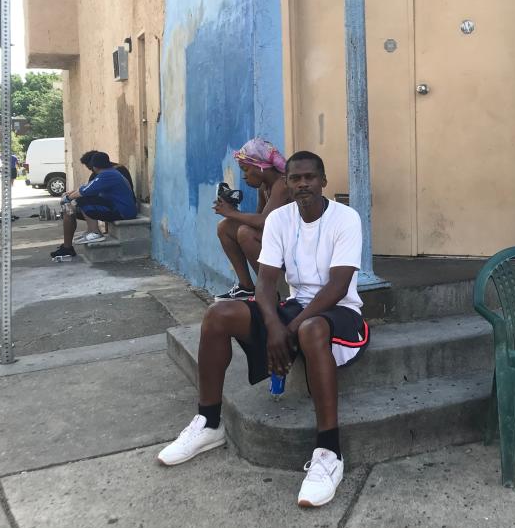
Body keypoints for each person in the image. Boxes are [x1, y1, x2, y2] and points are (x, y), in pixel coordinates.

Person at [158, 151, 369, 509]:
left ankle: (329, 452)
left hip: (340, 312)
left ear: (323, 181)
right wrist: (273, 324)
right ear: (286, 182)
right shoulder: (280, 220)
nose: (303, 184)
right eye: (295, 178)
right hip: (296, 306)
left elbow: (338, 285)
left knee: (313, 328)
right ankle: (209, 423)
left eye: (310, 177)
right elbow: (267, 281)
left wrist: (291, 327)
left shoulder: (345, 218)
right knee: (219, 314)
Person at [213, 138, 292, 301]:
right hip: (278, 241)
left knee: (245, 233)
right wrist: (232, 211)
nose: (244, 176)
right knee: (225, 227)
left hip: (292, 246)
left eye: (245, 169)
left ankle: (270, 290)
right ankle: (246, 287)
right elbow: (257, 222)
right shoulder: (265, 187)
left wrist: (232, 213)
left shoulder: (282, 185)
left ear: (260, 167)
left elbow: (264, 222)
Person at [49, 152, 137, 261]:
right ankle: (69, 246)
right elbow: (87, 186)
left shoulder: (108, 175)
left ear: (94, 166)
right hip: (119, 207)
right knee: (71, 208)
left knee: (82, 200)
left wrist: (67, 198)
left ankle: (95, 232)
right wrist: (71, 195)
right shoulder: (109, 172)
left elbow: (85, 191)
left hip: (123, 211)